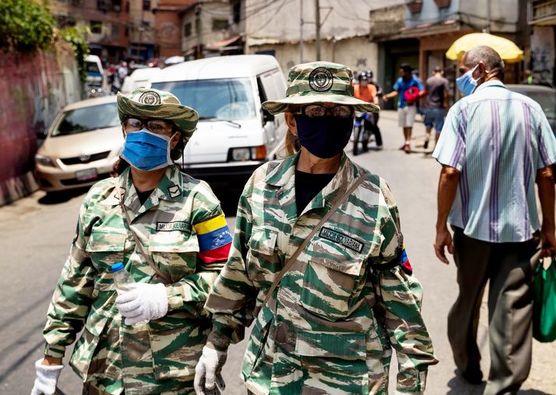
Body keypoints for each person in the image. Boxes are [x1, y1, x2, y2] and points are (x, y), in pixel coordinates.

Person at [193, 61, 437, 395]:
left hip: (347, 382)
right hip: (269, 376)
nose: (328, 121)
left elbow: (399, 298)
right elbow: (239, 274)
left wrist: (411, 380)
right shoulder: (262, 185)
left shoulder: (374, 196)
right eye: (316, 110)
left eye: (339, 112)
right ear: (292, 121)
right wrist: (216, 343)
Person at [31, 88, 232, 395]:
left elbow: (225, 279)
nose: (142, 133)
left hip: (175, 373)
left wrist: (168, 297)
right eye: (135, 124)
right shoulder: (99, 198)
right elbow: (75, 281)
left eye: (155, 126)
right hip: (106, 373)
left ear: (174, 138)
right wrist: (50, 359)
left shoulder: (198, 200)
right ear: (124, 129)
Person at [432, 46, 556, 395]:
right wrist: (548, 228)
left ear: (479, 70)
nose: (460, 76)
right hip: (522, 231)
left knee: (468, 300)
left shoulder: (462, 110)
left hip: (471, 230)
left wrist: (441, 226)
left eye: (463, 70)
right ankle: (504, 386)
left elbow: (449, 172)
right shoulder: (531, 109)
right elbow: (546, 173)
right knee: (513, 309)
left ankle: (468, 366)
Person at [383, 64, 425, 153]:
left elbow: (422, 91)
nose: (400, 73)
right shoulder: (400, 80)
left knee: (409, 125)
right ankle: (406, 142)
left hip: (411, 106)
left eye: (402, 72)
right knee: (404, 125)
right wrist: (387, 96)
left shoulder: (415, 80)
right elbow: (396, 91)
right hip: (401, 105)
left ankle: (408, 143)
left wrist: (413, 97)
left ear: (407, 72)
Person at [354, 71, 383, 149]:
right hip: (358, 109)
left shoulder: (372, 86)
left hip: (369, 109)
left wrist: (376, 103)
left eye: (365, 80)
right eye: (362, 80)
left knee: (373, 125)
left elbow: (375, 96)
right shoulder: (355, 87)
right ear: (359, 81)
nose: (364, 82)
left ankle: (379, 142)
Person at [423, 66, 450, 151]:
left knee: (428, 125)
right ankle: (435, 147)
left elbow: (425, 92)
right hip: (439, 107)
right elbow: (446, 93)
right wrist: (446, 104)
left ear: (433, 72)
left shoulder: (429, 80)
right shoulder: (444, 81)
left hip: (429, 107)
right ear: (441, 72)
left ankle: (427, 136)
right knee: (438, 128)